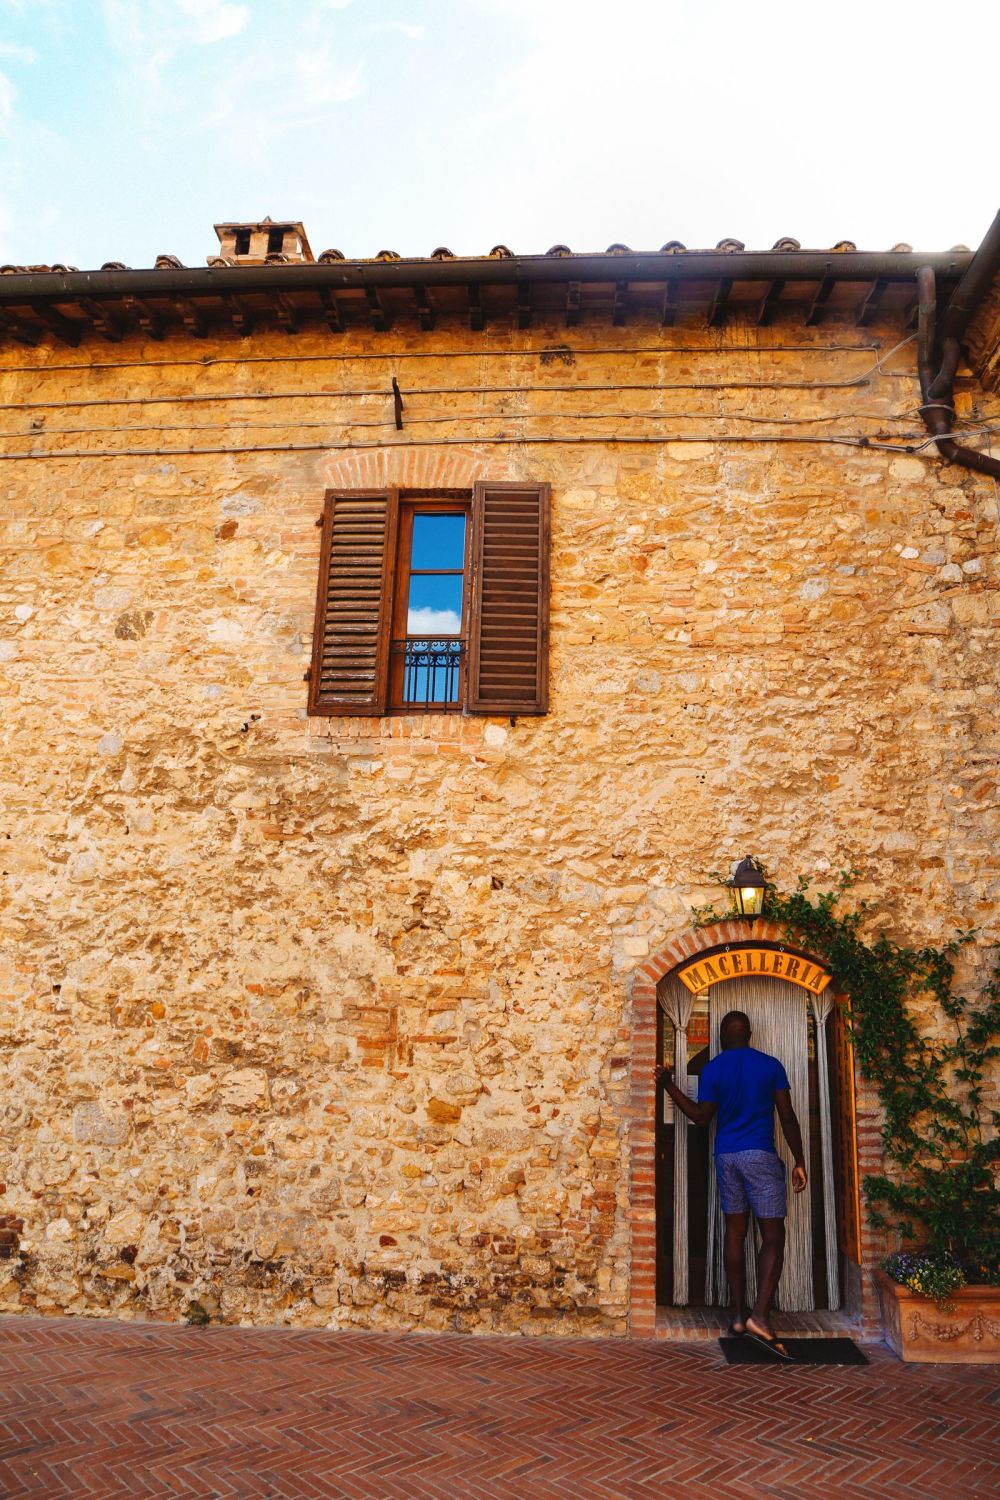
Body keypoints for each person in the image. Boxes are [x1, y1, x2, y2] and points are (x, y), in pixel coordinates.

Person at [662, 1009, 807, 1360]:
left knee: (735, 1233)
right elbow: (786, 1116)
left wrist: (667, 1084)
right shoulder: (770, 1065)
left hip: (726, 1157)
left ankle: (740, 1316)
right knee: (773, 1235)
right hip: (759, 1155)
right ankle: (760, 1315)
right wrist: (800, 1159)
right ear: (750, 1033)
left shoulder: (713, 1069)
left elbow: (700, 1118)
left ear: (724, 1037)